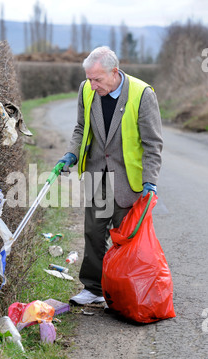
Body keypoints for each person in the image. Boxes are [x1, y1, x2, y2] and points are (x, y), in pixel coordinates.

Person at [57, 46, 163, 306]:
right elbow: (81, 128)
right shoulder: (86, 90)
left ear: (114, 72)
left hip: (128, 180)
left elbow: (152, 143)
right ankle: (93, 289)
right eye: (89, 79)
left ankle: (125, 291)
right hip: (96, 174)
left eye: (98, 79)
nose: (92, 85)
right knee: (93, 232)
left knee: (125, 238)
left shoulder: (142, 94)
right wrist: (71, 154)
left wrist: (150, 181)